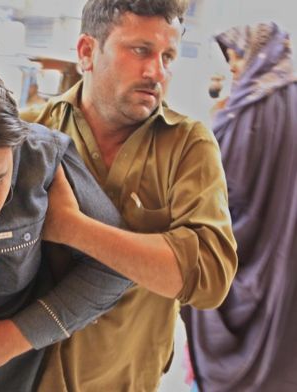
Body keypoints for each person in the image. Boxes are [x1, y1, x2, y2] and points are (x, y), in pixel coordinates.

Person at [20, 0, 238, 390]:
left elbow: (209, 277)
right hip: (24, 377)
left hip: (125, 379)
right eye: (140, 50)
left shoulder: (188, 146)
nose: (157, 72)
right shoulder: (30, 131)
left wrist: (73, 229)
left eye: (168, 56)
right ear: (87, 51)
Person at [182, 22, 297, 391]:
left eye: (236, 54)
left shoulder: (249, 109)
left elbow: (222, 192)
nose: (232, 65)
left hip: (248, 258)